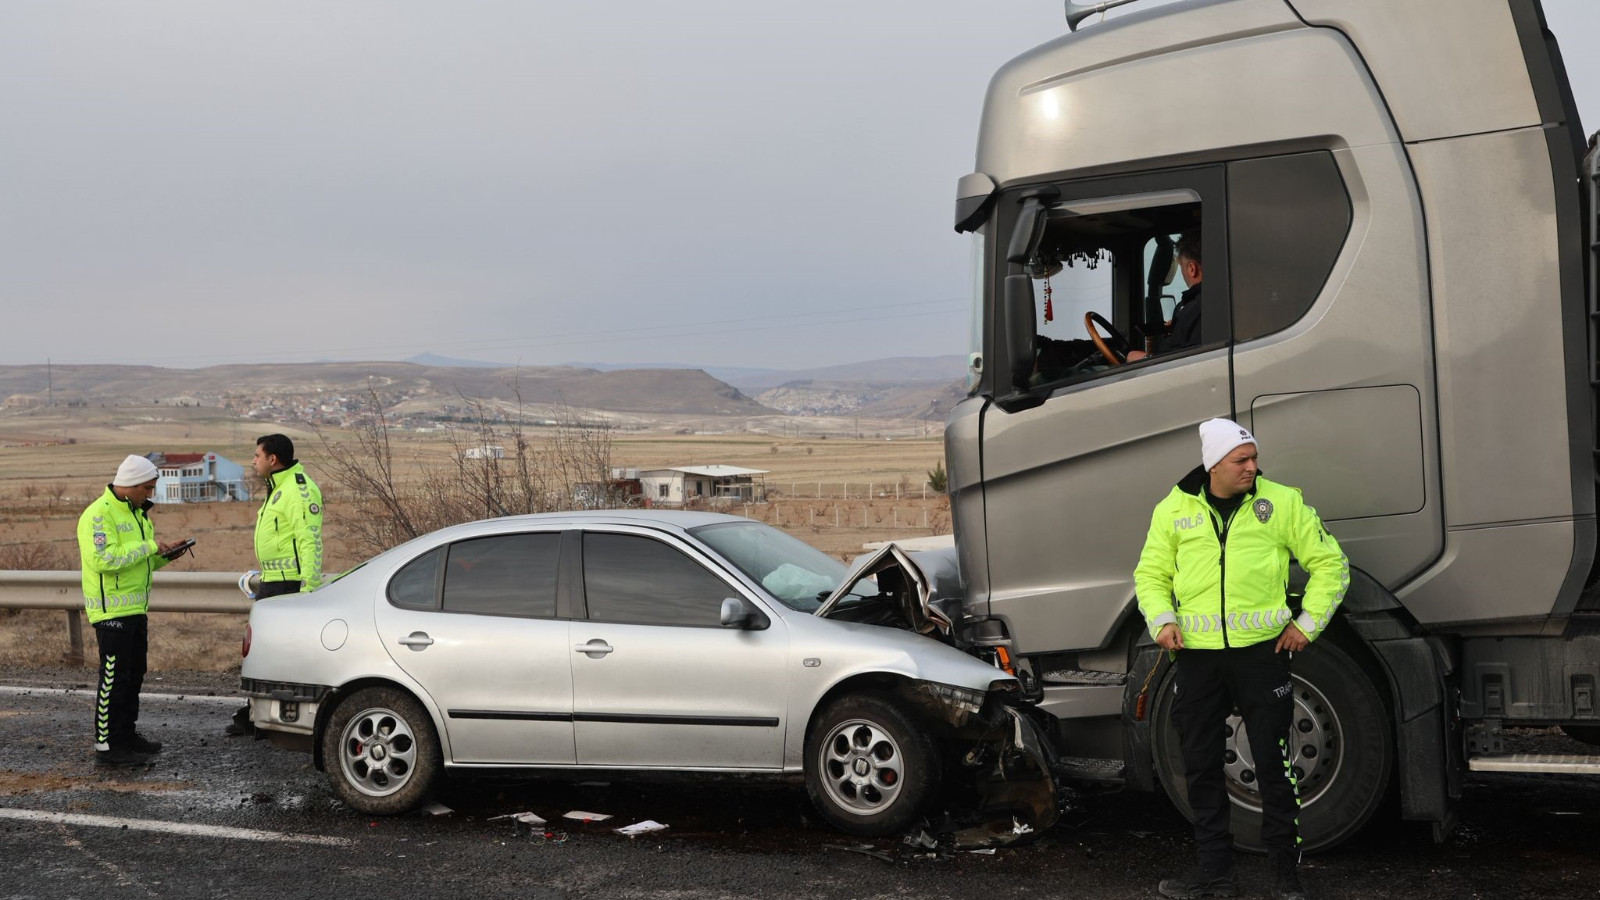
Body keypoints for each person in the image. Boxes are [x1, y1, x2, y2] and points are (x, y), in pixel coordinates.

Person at [1133, 419, 1349, 900]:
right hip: (1196, 660)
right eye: (1241, 460)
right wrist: (1162, 620)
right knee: (1202, 765)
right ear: (1214, 464)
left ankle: (1285, 877)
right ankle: (1216, 876)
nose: (1253, 467)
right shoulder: (1174, 509)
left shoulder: (1282, 502)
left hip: (1262, 657)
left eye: (1254, 458)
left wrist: (1305, 625)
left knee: (1275, 764)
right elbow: (1149, 574)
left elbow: (1331, 563)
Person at [78, 454, 188, 767]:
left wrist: (166, 556)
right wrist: (151, 546)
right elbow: (105, 559)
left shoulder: (139, 515)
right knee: (114, 678)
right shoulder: (98, 515)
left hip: (135, 608)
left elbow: (140, 560)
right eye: (148, 488)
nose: (151, 493)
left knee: (134, 674)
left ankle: (125, 735)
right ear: (131, 485)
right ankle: (107, 744)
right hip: (111, 611)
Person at [227, 433, 324, 737]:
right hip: (272, 583)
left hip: (289, 587)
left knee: (282, 655)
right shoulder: (277, 488)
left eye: (257, 455)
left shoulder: (298, 490)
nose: (253, 461)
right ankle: (257, 714)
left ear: (273, 459)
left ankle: (278, 720)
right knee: (263, 653)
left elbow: (309, 541)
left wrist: (308, 590)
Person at [1127, 229, 1203, 361]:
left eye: (1181, 267)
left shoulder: (1194, 309)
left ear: (1192, 269)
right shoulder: (1209, 303)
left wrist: (1143, 358)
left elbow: (1171, 362)